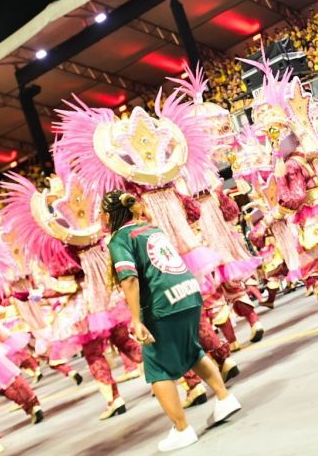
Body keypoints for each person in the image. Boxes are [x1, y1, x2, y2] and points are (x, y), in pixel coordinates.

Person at [102, 191, 241, 453]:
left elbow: (129, 278)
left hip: (162, 303)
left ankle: (181, 429)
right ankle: (225, 398)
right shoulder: (150, 228)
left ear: (110, 215)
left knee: (157, 368)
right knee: (192, 351)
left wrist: (136, 320)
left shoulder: (120, 238)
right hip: (188, 292)